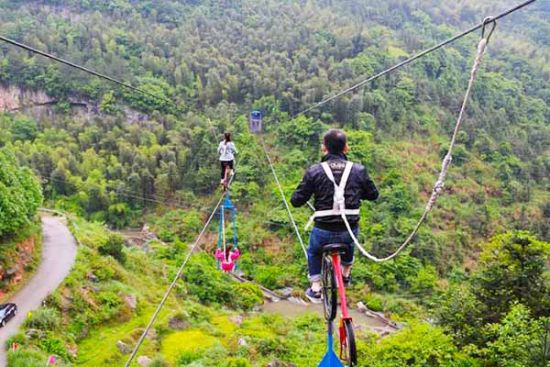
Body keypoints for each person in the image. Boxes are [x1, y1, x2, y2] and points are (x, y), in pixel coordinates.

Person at [291, 129, 379, 303]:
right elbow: (373, 195)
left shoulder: (314, 171)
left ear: (324, 148)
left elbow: (296, 200)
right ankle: (345, 274)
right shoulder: (359, 170)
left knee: (314, 251)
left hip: (323, 230)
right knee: (350, 239)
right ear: (346, 148)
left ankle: (316, 288)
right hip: (348, 230)